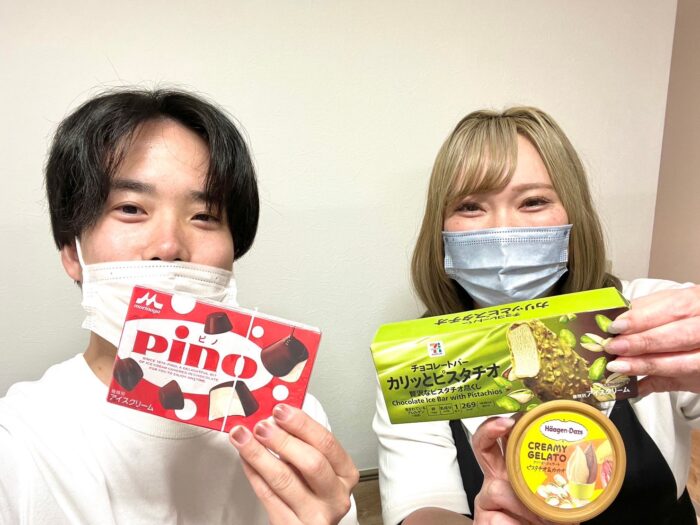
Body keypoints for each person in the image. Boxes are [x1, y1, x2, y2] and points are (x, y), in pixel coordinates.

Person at [0, 88, 358, 524]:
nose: (169, 247)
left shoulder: (290, 424)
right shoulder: (18, 443)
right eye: (131, 208)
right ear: (72, 253)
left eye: (204, 216)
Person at [373, 106, 700, 524]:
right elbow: (420, 506)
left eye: (533, 202)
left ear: (573, 214)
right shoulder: (420, 359)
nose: (503, 230)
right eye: (470, 206)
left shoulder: (651, 313)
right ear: (440, 229)